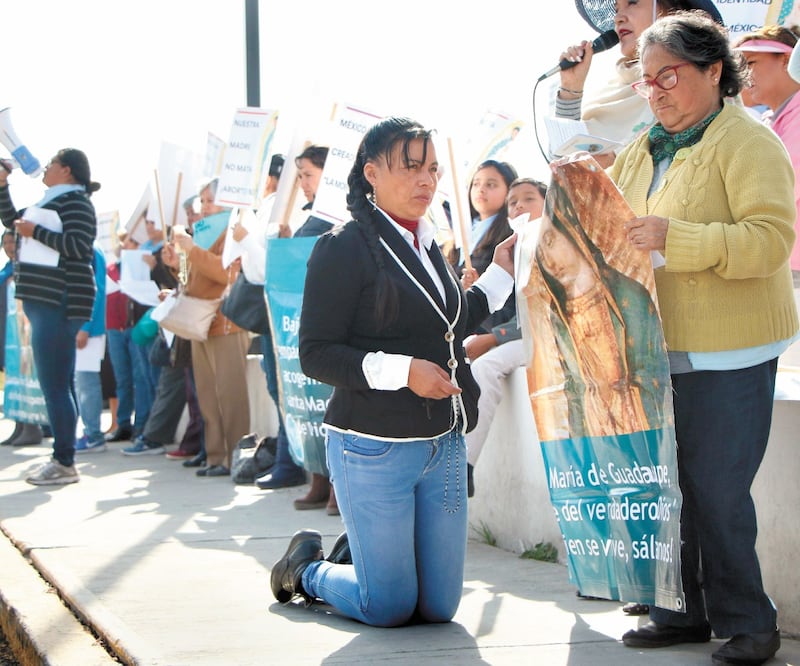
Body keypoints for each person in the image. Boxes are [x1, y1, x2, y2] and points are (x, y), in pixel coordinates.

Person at [269, 116, 516, 627]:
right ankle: (308, 571)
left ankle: (362, 557)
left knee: (439, 608)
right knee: (387, 606)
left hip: (444, 442)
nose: (426, 180)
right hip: (372, 445)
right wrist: (404, 371)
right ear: (372, 173)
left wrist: (500, 275)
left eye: (432, 169)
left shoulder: (428, 242)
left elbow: (448, 323)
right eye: (411, 167)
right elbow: (315, 353)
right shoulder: (342, 246)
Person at [610, 14, 797, 665]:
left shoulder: (750, 141)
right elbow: (614, 221)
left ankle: (751, 623)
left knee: (717, 493)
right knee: (668, 489)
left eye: (668, 75)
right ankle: (680, 611)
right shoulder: (644, 146)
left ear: (714, 70)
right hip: (656, 350)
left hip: (730, 353)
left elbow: (770, 242)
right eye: (646, 80)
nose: (655, 91)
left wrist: (676, 239)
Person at [532, 179, 669, 439]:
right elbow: (572, 387)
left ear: (571, 231)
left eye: (549, 241)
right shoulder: (559, 313)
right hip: (592, 433)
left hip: (635, 428)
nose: (547, 260)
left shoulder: (628, 296)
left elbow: (650, 374)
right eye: (539, 253)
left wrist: (616, 398)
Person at [0, 148, 100, 485]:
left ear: (67, 170)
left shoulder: (76, 203)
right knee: (59, 384)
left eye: (51, 164)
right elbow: (13, 222)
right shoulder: (52, 202)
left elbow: (79, 247)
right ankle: (63, 457)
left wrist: (36, 233)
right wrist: (3, 186)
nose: (45, 169)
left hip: (59, 300)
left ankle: (64, 462)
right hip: (46, 301)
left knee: (54, 385)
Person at [556, 0, 723, 167]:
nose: (618, 18)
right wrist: (570, 89)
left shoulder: (701, 84)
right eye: (616, 9)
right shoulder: (604, 94)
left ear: (672, 12)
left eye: (632, 3)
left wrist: (619, 166)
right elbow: (563, 167)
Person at [463, 177, 546, 497]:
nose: (519, 206)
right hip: (522, 336)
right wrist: (476, 290)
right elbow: (504, 310)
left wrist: (493, 338)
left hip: (548, 337)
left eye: (529, 198)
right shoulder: (513, 250)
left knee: (486, 367)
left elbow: (540, 312)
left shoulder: (554, 242)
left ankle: (464, 466)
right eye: (513, 202)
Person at [162, 178, 250, 477]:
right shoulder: (200, 234)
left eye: (210, 200)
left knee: (231, 397)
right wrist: (176, 264)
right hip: (200, 323)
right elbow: (191, 278)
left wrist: (191, 250)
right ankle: (215, 457)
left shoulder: (234, 231)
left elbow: (226, 275)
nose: (205, 207)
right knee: (208, 397)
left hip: (226, 323)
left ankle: (235, 458)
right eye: (203, 201)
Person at [268, 145, 337, 511]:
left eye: (308, 174)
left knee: (332, 402)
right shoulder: (309, 218)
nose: (303, 183)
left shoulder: (345, 216)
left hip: (331, 319)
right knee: (307, 403)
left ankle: (337, 483)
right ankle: (319, 479)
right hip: (300, 321)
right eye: (300, 176)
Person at [232, 154, 307, 490]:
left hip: (286, 312)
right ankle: (286, 460)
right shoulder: (266, 207)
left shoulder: (293, 207)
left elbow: (273, 267)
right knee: (278, 389)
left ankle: (289, 463)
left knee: (287, 389)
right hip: (269, 311)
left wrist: (246, 240)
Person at [735, 25, 800, 278]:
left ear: (786, 59)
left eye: (751, 62)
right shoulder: (768, 121)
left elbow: (781, 185)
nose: (743, 75)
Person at [74, 243, 108, 453]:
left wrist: (85, 327)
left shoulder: (91, 251)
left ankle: (94, 436)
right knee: (81, 384)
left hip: (89, 330)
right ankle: (90, 432)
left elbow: (97, 289)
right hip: (80, 328)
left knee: (87, 384)